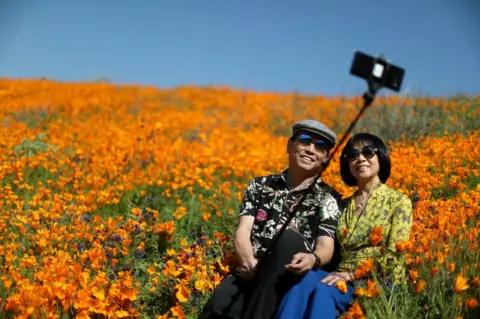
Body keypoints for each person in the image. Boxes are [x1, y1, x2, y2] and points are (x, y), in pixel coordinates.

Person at [199, 119, 343, 319]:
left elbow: (326, 246)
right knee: (219, 308)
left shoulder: (329, 198)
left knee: (288, 239)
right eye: (305, 141)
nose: (311, 149)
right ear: (290, 145)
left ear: (326, 158)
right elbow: (243, 231)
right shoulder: (260, 185)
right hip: (250, 268)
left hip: (289, 276)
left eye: (320, 146)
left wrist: (313, 258)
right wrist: (250, 264)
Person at [275, 132, 413, 319]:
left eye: (368, 152)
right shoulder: (342, 204)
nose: (360, 158)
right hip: (341, 276)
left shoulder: (398, 202)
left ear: (380, 156)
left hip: (379, 279)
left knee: (326, 290)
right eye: (353, 155)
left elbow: (395, 255)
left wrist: (352, 275)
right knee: (304, 280)